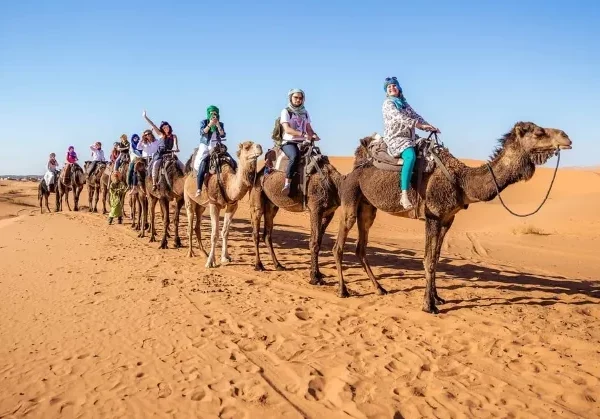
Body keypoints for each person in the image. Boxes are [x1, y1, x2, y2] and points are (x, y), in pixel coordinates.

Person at [381, 76, 439, 209]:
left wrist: (429, 126)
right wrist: (420, 126)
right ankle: (404, 195)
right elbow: (400, 118)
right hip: (396, 138)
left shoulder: (404, 103)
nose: (392, 88)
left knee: (432, 149)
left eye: (394, 85)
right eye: (389, 87)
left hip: (410, 137)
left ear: (399, 88)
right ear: (387, 92)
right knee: (410, 156)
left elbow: (416, 115)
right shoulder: (388, 104)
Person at [279, 88, 319, 193]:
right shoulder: (286, 111)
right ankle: (287, 183)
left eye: (300, 98)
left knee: (319, 158)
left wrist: (314, 134)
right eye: (295, 97)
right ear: (290, 98)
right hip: (289, 142)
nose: (298, 100)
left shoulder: (305, 113)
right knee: (295, 156)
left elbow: (308, 128)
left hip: (304, 143)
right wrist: (302, 134)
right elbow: (287, 129)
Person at [195, 105, 237, 197]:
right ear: (208, 114)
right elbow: (202, 132)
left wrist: (217, 125)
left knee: (231, 159)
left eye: (215, 113)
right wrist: (210, 124)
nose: (213, 115)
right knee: (202, 162)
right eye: (212, 113)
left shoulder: (220, 124)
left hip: (217, 146)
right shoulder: (204, 122)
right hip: (206, 145)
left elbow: (222, 135)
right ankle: (199, 188)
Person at [142, 110, 184, 191]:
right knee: (155, 165)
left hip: (170, 154)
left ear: (169, 127)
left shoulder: (173, 136)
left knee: (182, 166)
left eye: (167, 126)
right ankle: (154, 183)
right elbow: (153, 125)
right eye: (164, 127)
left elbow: (175, 144)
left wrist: (176, 148)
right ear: (162, 129)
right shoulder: (161, 135)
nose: (166, 128)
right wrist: (145, 117)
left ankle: (183, 181)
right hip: (160, 154)